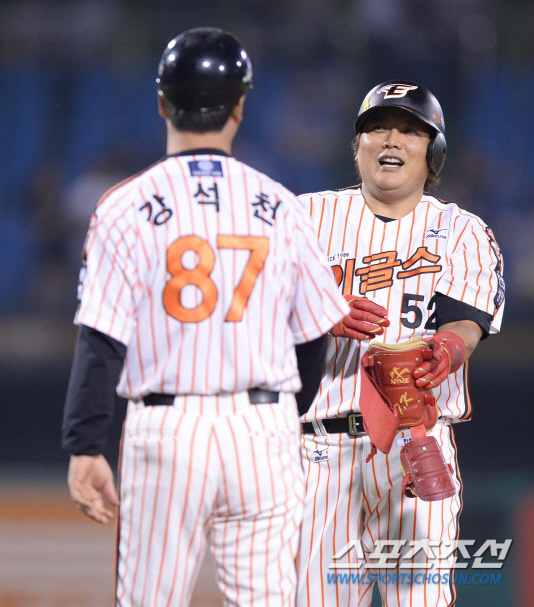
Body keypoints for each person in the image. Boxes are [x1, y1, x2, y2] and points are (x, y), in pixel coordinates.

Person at [62, 27, 349, 607]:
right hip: (262, 426)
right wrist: (282, 418)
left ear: (162, 103)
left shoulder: (123, 206)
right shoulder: (282, 206)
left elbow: (101, 340)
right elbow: (314, 334)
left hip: (168, 429)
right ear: (239, 107)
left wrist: (85, 444)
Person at [296, 80, 504, 607]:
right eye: (378, 128)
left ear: (434, 152)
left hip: (417, 445)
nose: (391, 139)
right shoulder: (303, 217)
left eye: (410, 130)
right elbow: (248, 308)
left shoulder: (461, 230)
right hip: (318, 449)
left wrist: (448, 349)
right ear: (357, 146)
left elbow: (466, 323)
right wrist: (317, 310)